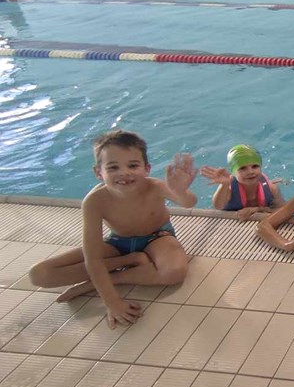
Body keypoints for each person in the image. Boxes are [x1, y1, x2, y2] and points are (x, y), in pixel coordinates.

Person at [28, 130, 196, 328]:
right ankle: (131, 260)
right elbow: (93, 258)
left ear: (147, 168)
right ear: (99, 172)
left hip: (158, 238)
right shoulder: (94, 202)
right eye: (113, 167)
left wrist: (180, 191)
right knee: (39, 274)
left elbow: (188, 203)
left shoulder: (155, 186)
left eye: (133, 165)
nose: (124, 173)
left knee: (174, 272)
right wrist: (113, 302)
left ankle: (113, 278)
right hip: (118, 243)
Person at [200, 144, 285, 220]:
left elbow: (284, 211)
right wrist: (224, 184)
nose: (250, 172)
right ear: (233, 172)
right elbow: (218, 206)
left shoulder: (272, 189)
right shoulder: (229, 189)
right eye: (242, 168)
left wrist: (258, 209)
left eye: (255, 166)